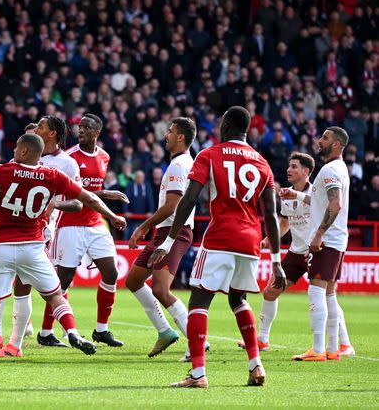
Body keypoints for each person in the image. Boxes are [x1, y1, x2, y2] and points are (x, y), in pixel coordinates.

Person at [149, 106, 286, 388]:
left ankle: (198, 374)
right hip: (250, 241)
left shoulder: (209, 155)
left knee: (199, 300)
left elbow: (188, 199)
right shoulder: (262, 162)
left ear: (225, 126)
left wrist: (169, 240)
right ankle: (255, 364)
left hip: (221, 236)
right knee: (239, 299)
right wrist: (276, 261)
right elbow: (272, 214)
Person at [0, 133, 120, 362]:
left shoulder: (3, 171)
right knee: (55, 295)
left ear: (24, 151)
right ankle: (72, 333)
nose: (14, 150)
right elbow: (88, 199)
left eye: (16, 146)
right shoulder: (53, 175)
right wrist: (112, 216)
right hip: (33, 246)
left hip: (1, 245)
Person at [0, 116, 92, 357]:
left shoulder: (66, 163)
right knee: (28, 286)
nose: (36, 128)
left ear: (53, 134)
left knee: (16, 285)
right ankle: (10, 338)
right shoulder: (22, 159)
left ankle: (6, 341)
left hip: (41, 231)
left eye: (41, 126)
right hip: (23, 231)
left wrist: (53, 202)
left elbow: (78, 203)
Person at [37, 114, 129, 350]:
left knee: (111, 272)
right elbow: (76, 194)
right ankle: (45, 332)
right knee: (63, 281)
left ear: (97, 132)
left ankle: (101, 330)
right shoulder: (69, 158)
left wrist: (106, 208)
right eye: (80, 127)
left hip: (95, 224)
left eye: (87, 127)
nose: (81, 131)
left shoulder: (104, 157)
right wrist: (107, 197)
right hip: (70, 226)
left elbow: (92, 190)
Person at [126, 117, 202, 361]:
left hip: (174, 232)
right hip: (164, 232)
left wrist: (143, 227)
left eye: (170, 131)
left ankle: (197, 342)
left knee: (160, 288)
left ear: (180, 137)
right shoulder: (179, 163)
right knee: (133, 280)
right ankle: (165, 331)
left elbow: (172, 206)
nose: (165, 135)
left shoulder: (180, 165)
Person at [280, 128, 354, 361]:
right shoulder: (339, 168)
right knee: (330, 294)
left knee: (316, 290)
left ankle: (318, 349)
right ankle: (332, 349)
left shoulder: (330, 169)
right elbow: (321, 200)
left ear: (336, 145)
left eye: (325, 138)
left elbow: (335, 204)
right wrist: (298, 196)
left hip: (328, 240)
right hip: (338, 239)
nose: (319, 141)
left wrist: (319, 233)